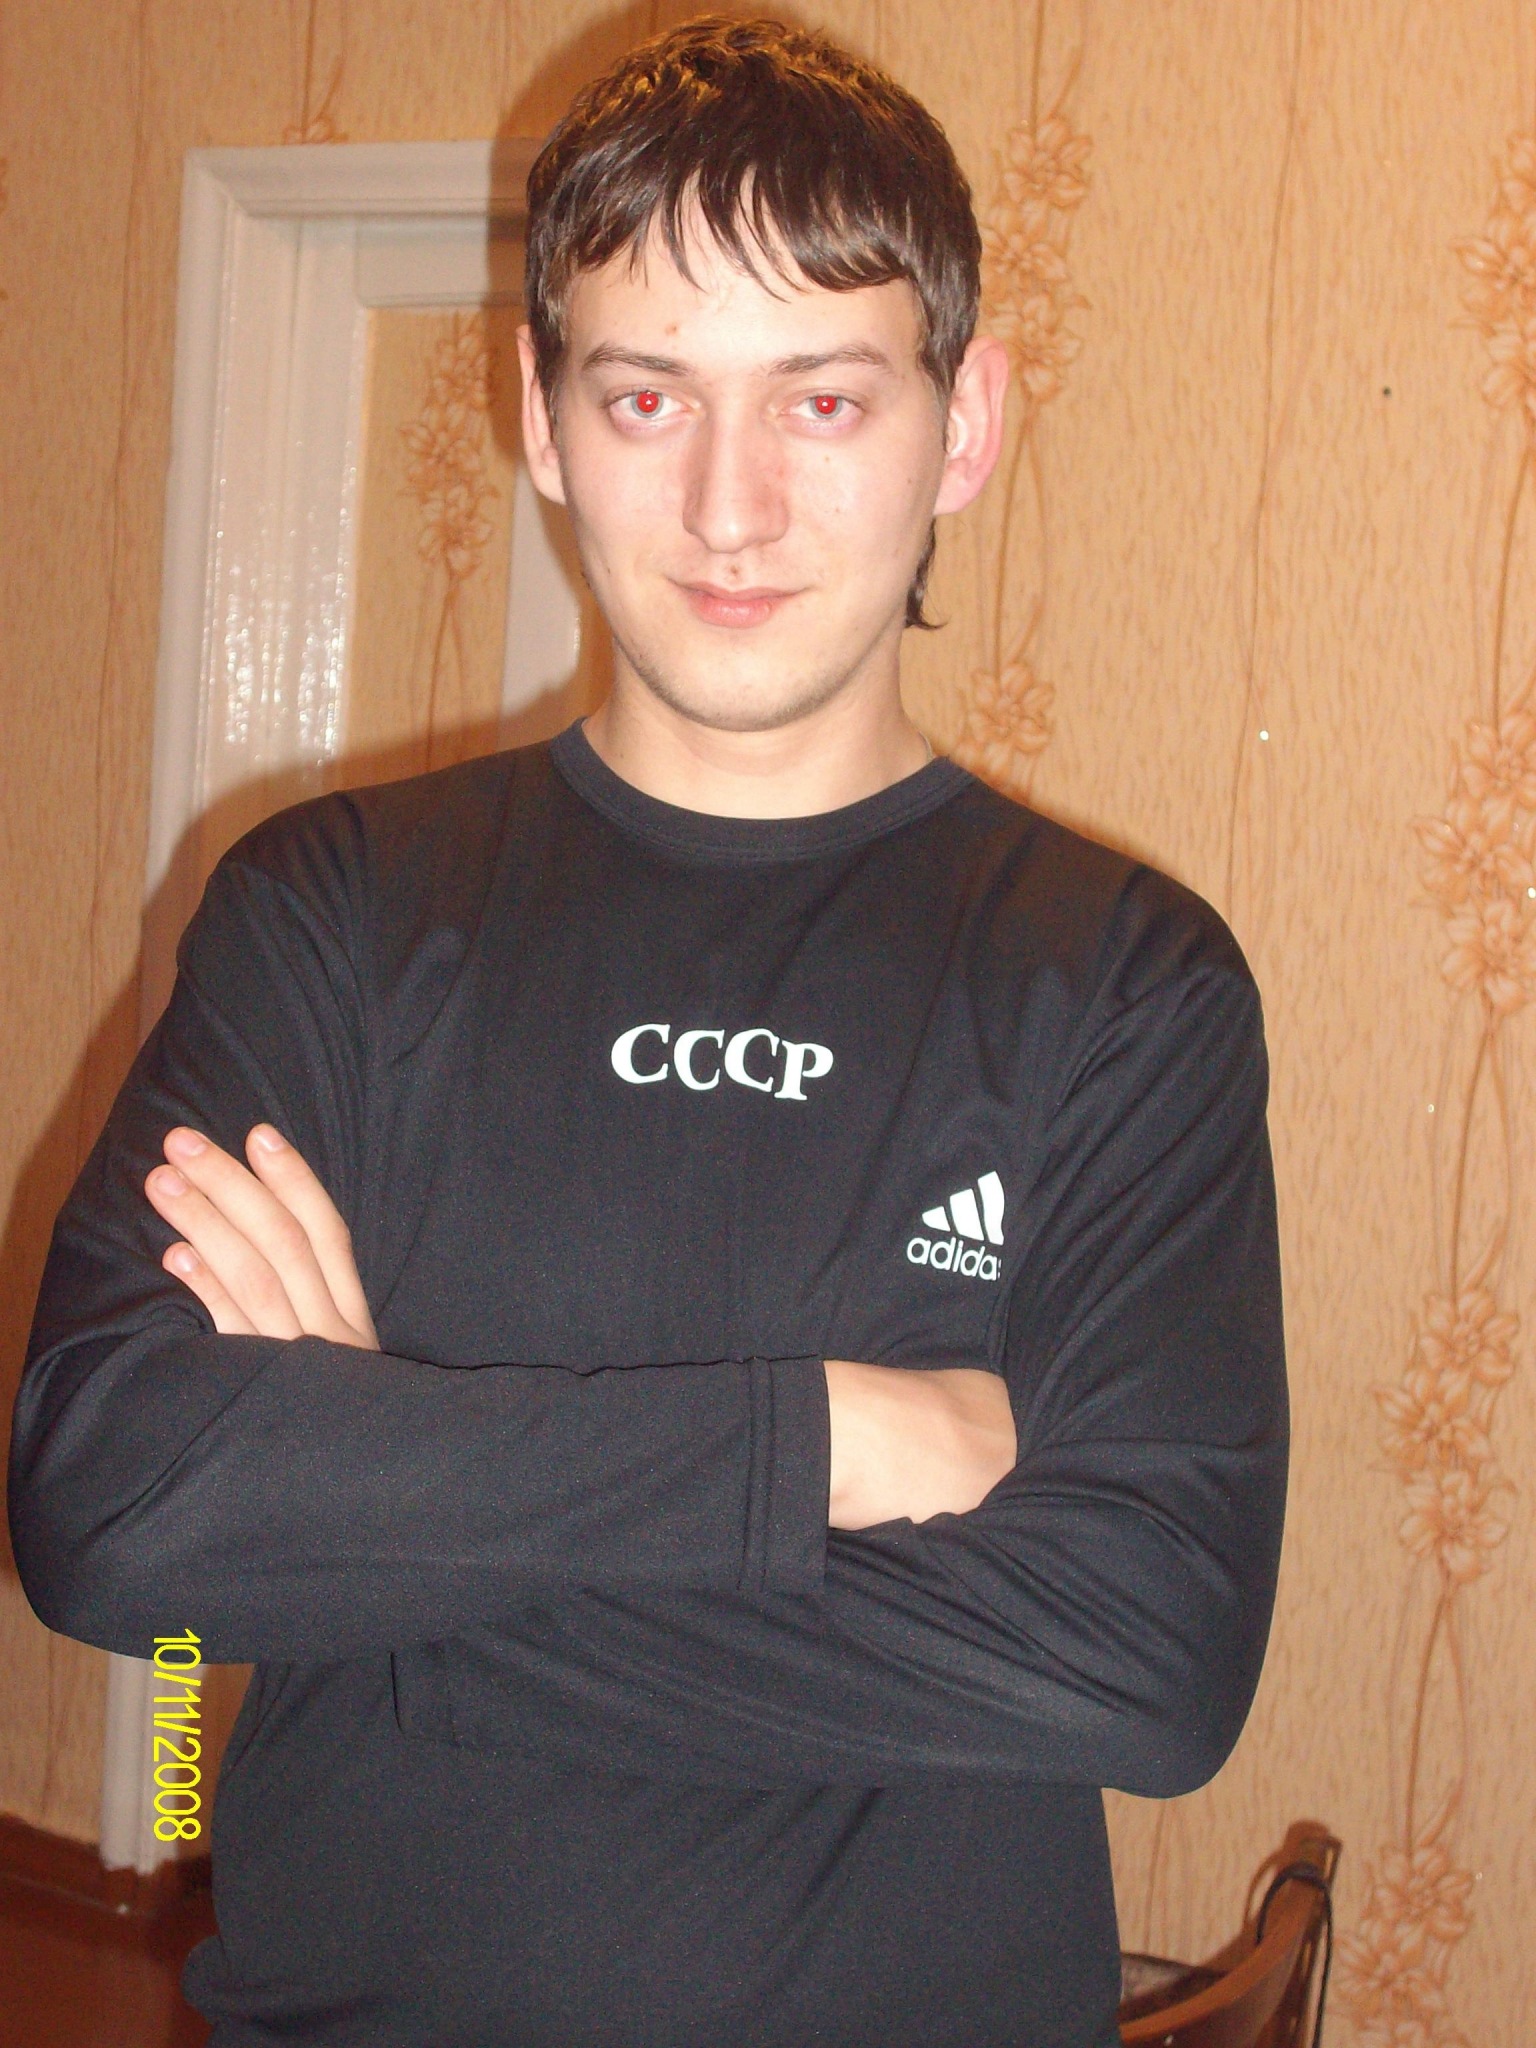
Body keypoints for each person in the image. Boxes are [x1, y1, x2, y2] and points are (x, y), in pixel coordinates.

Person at [9, 17, 1287, 2047]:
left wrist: (382, 1498)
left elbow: (1143, 1655)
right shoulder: (333, 911)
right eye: (645, 395)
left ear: (965, 426)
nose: (728, 506)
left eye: (824, 399)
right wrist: (825, 1441)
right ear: (539, 417)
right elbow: (112, 1512)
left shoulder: (1124, 982)